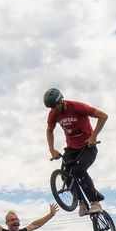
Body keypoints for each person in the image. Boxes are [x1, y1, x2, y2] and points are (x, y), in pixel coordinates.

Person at [44, 88, 108, 216]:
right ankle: (81, 203)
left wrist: (93, 136)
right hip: (72, 148)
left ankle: (95, 202)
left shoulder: (77, 107)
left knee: (78, 170)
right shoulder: (53, 114)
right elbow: (49, 130)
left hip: (88, 146)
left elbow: (103, 116)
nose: (55, 109)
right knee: (65, 175)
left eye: (56, 105)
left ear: (61, 100)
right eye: (52, 107)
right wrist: (52, 150)